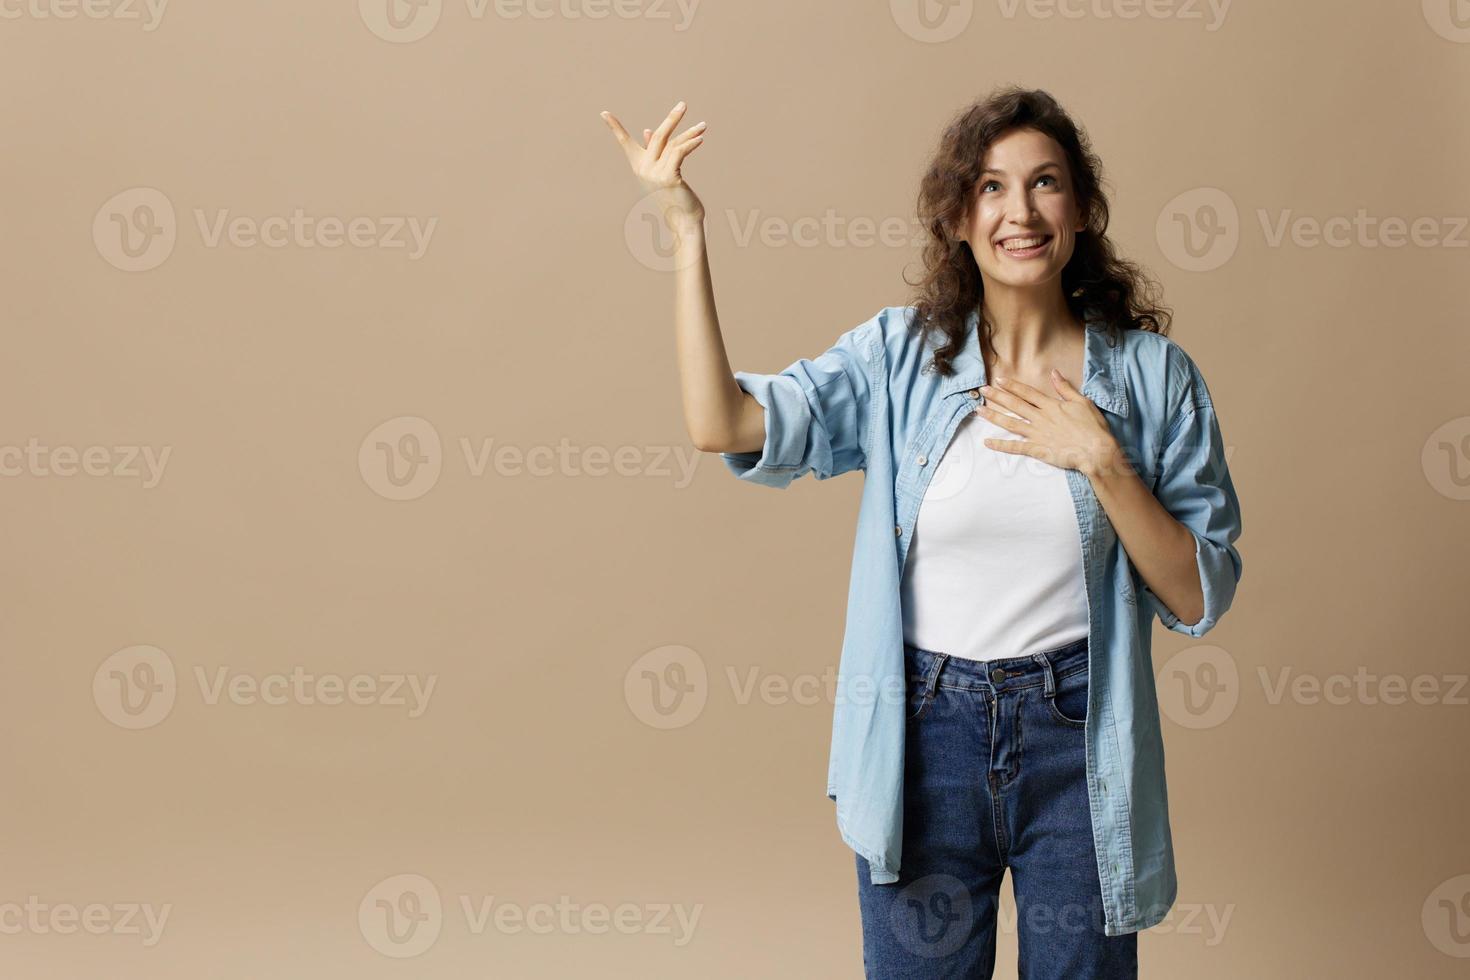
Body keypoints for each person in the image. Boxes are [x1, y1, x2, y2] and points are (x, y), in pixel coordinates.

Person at [601, 85, 1244, 979]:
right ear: (956, 219)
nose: (1019, 211)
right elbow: (724, 424)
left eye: (1045, 183)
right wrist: (686, 234)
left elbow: (1197, 592)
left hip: (1080, 736)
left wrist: (1104, 460)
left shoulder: (1152, 379)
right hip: (922, 738)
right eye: (989, 187)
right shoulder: (897, 358)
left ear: (1083, 210)